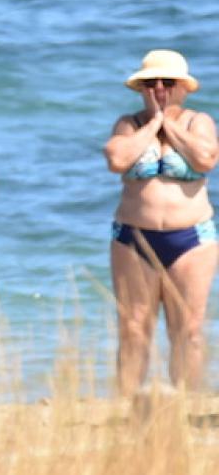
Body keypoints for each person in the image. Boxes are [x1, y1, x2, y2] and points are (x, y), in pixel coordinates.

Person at [103, 50, 216, 397]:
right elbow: (117, 159)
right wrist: (153, 122)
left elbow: (206, 158)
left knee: (190, 329)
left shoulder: (199, 122)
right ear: (141, 88)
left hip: (192, 240)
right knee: (134, 328)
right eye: (152, 83)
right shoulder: (130, 124)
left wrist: (168, 124)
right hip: (133, 240)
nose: (160, 89)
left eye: (168, 82)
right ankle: (127, 403)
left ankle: (188, 401)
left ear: (183, 88)